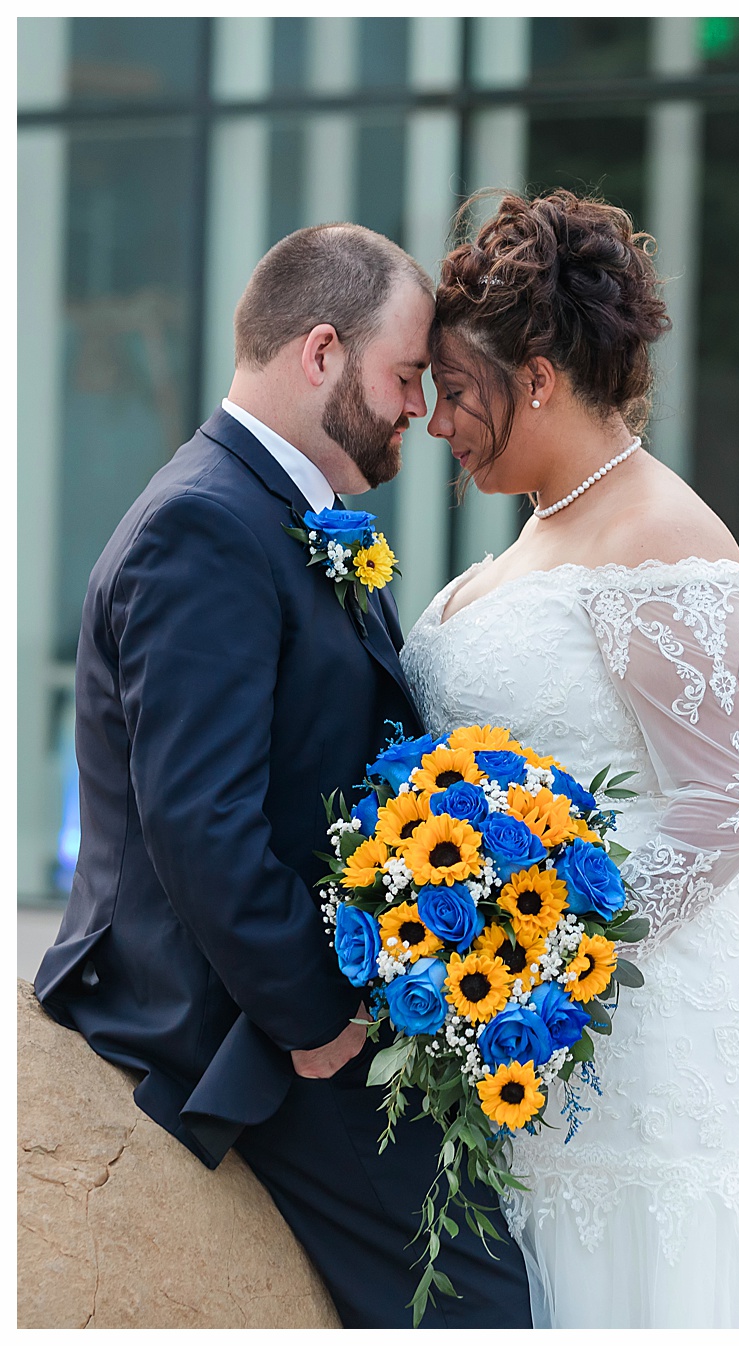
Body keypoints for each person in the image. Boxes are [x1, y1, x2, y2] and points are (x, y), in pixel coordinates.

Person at [34, 224, 532, 1327]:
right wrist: (315, 1017)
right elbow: (197, 816)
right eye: (406, 376)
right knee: (482, 1298)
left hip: (306, 984)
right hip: (223, 1016)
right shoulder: (205, 524)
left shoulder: (280, 507)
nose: (418, 408)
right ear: (320, 353)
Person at [408, 189, 739, 1328]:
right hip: (530, 1003)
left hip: (650, 1010)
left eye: (455, 392)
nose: (436, 421)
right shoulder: (546, 524)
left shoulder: (657, 529)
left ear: (541, 374)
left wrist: (543, 934)